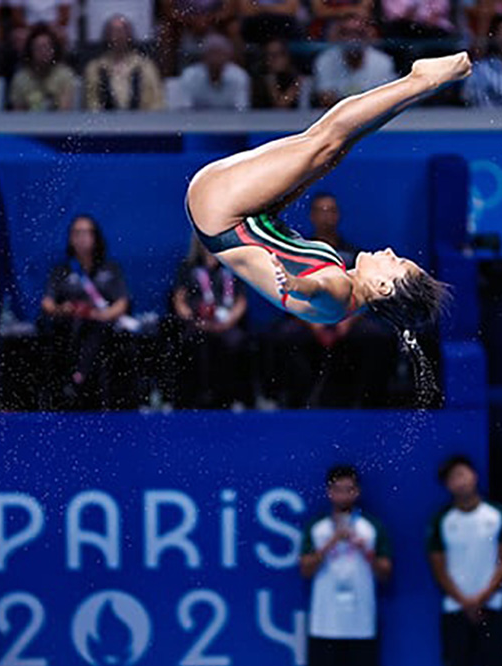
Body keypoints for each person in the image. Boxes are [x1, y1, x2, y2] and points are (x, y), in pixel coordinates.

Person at [185, 52, 463, 331]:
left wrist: (296, 285)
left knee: (325, 141)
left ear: (382, 287)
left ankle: (422, 81)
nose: (391, 251)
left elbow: (321, 289)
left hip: (222, 209)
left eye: (398, 262)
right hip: (235, 217)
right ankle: (417, 90)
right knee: (336, 148)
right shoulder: (343, 293)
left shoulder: (341, 292)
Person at [263, 192, 398, 407]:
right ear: (312, 216)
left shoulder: (353, 254)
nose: (327, 216)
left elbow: (363, 296)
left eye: (331, 211)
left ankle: (368, 403)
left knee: (376, 337)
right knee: (283, 338)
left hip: (345, 318)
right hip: (309, 317)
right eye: (321, 210)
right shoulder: (299, 250)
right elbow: (310, 288)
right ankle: (290, 401)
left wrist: (343, 320)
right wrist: (315, 322)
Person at [427, 454, 502, 666]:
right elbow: (438, 567)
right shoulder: (442, 520)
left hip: (492, 605)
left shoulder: (497, 514)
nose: (460, 481)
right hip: (455, 608)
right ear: (447, 486)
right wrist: (465, 602)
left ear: (474, 476)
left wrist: (482, 598)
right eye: (452, 478)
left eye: (462, 474)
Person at [300, 465, 392, 666]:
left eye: (348, 489)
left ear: (357, 491)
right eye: (337, 489)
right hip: (325, 624)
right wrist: (329, 544)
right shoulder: (317, 527)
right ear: (329, 492)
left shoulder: (371, 527)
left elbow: (386, 573)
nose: (343, 495)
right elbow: (305, 570)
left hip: (361, 624)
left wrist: (365, 550)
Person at [40, 215, 130, 409]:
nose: (81, 238)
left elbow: (122, 302)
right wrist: (62, 309)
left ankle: (79, 377)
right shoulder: (61, 271)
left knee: (95, 328)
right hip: (69, 326)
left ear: (95, 237)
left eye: (86, 232)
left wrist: (102, 314)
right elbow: (47, 303)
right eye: (76, 233)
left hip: (102, 326)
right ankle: (72, 380)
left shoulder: (110, 269)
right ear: (70, 238)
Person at [166, 235, 251, 408]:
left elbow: (241, 300)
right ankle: (192, 399)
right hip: (196, 323)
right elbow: (179, 300)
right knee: (193, 344)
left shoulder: (232, 267)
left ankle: (234, 399)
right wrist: (195, 319)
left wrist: (228, 322)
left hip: (227, 323)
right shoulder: (187, 267)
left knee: (237, 343)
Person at [312, 16, 396, 108]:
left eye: (358, 33)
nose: (353, 39)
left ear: (367, 35)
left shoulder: (383, 61)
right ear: (338, 36)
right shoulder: (325, 60)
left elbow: (385, 100)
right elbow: (325, 99)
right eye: (346, 33)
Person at [84, 15, 165, 111]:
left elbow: (157, 102)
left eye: (123, 30)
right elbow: (91, 104)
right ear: (107, 35)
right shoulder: (95, 68)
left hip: (141, 121)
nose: (119, 35)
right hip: (105, 123)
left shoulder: (146, 67)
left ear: (130, 35)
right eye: (114, 31)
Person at [9, 23, 79, 111]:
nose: (43, 52)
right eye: (38, 48)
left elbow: (64, 111)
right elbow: (17, 114)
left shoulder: (65, 75)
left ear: (54, 50)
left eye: (47, 47)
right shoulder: (20, 78)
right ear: (30, 51)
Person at [176, 33, 252, 110]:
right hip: (197, 121)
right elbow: (184, 109)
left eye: (220, 54)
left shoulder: (239, 76)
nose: (216, 59)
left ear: (228, 56)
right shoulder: (189, 76)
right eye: (212, 53)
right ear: (204, 56)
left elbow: (242, 109)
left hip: (230, 121)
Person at [252, 38, 307, 109]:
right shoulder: (258, 81)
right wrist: (270, 79)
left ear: (286, 57)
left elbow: (282, 104)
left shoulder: (298, 80)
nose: (271, 60)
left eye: (276, 55)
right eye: (268, 55)